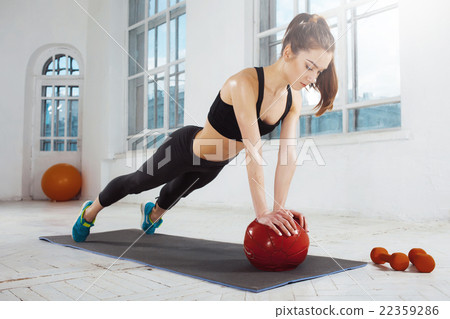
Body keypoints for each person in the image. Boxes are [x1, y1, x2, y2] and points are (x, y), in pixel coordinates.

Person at [72, 13, 338, 242]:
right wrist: (262, 214)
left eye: (319, 71)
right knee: (138, 182)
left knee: (172, 197)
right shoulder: (244, 84)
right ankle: (90, 212)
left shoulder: (293, 99)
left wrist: (279, 209)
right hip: (185, 149)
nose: (313, 77)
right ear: (288, 51)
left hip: (214, 165)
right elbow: (254, 151)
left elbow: (288, 156)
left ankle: (152, 213)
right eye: (310, 67)